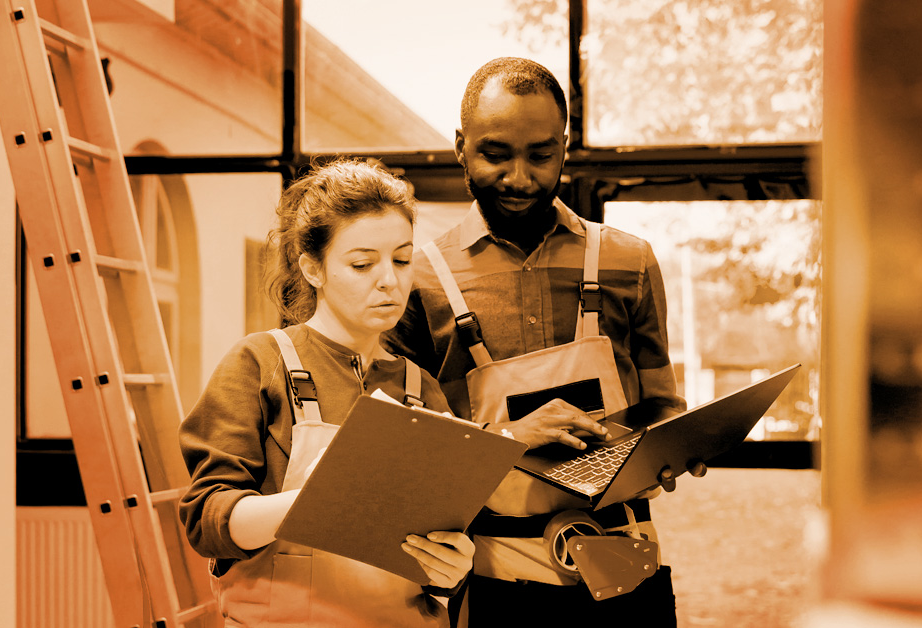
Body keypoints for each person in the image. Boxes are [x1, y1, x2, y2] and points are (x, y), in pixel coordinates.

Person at [382, 57, 701, 627]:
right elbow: (406, 457)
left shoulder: (630, 261)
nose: (520, 178)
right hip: (492, 579)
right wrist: (505, 440)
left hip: (624, 568)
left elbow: (661, 403)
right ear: (461, 147)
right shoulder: (417, 281)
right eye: (495, 154)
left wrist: (674, 448)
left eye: (541, 154)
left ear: (566, 145)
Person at [178, 159, 473, 627]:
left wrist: (451, 569)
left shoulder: (422, 388)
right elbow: (207, 520)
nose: (389, 280)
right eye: (361, 263)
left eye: (400, 259)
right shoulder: (258, 363)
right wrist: (314, 502)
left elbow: (439, 543)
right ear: (312, 268)